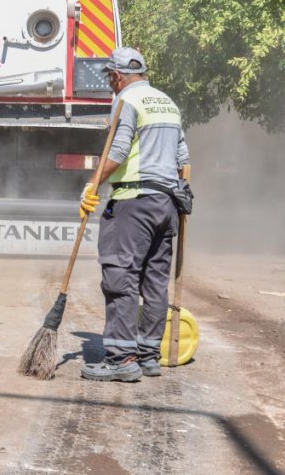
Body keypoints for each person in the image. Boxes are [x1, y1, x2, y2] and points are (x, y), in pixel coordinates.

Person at [78, 47, 190, 382]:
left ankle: (121, 360)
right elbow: (183, 158)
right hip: (167, 204)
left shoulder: (126, 101)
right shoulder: (167, 103)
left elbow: (119, 149)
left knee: (120, 277)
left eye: (110, 78)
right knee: (155, 281)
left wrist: (93, 185)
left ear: (116, 74)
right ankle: (148, 355)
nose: (111, 84)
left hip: (133, 202)